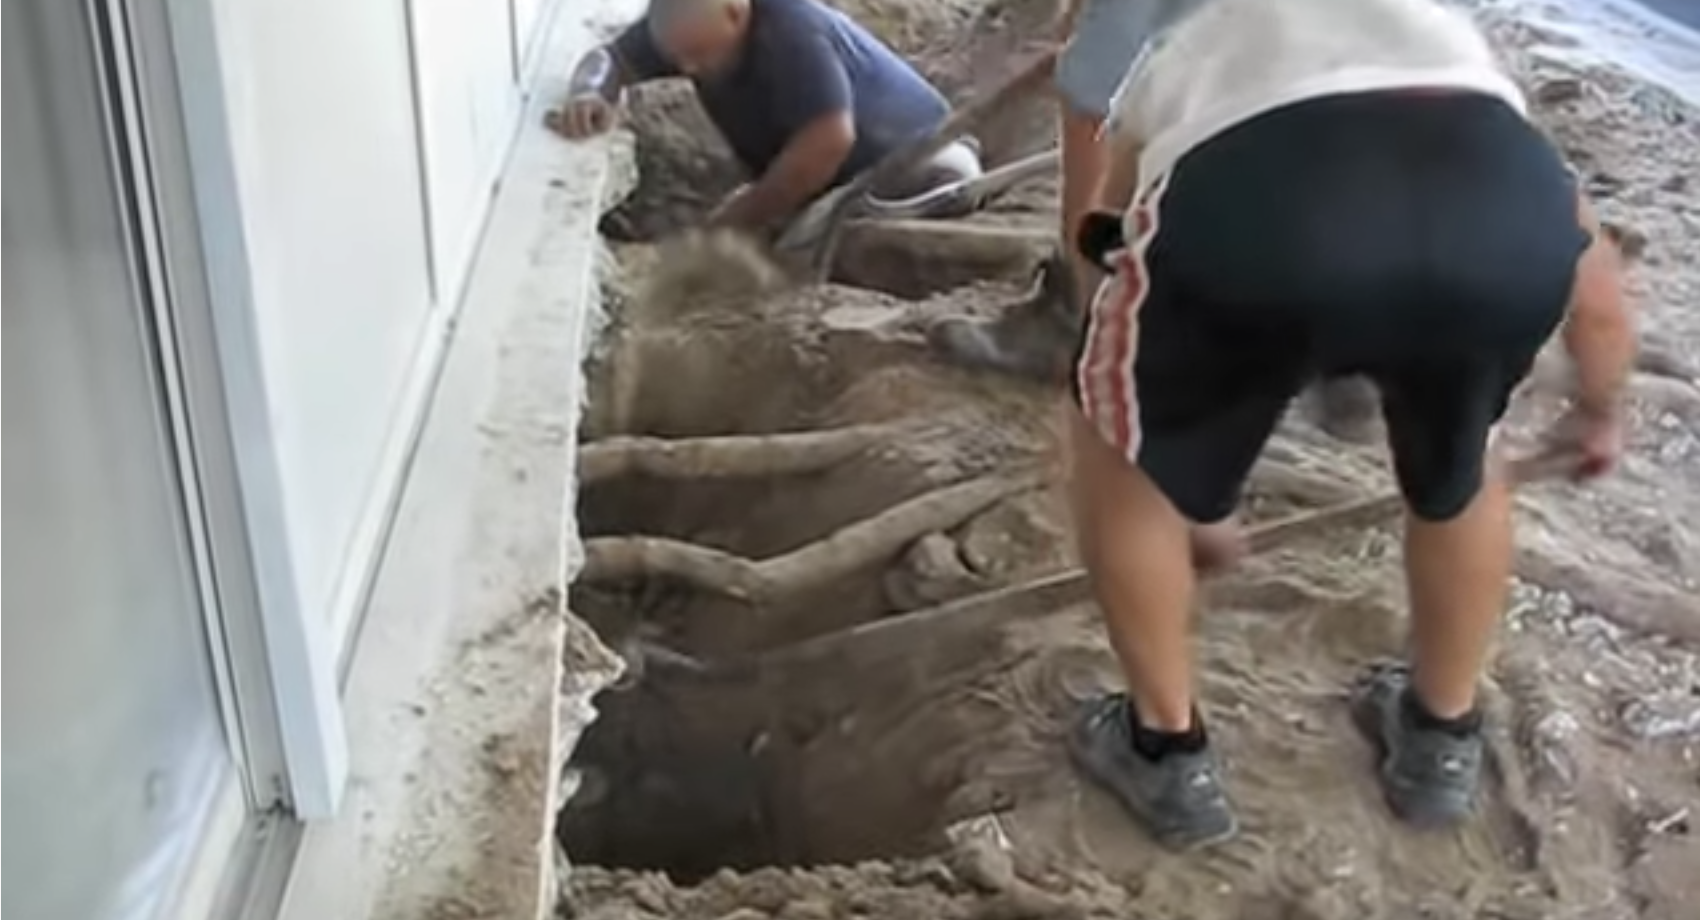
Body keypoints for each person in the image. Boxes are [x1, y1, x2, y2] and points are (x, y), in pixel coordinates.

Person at [1063, 0, 1634, 850]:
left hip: (1262, 210)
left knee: (1117, 452)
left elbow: (1103, 241)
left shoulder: (1187, 44)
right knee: (1466, 460)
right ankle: (1442, 737)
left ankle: (1165, 746)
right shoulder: (1448, 39)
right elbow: (1592, 277)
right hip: (1495, 233)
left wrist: (1170, 460)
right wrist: (1599, 411)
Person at [547, 0, 982, 235]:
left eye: (700, 55)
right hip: (831, 185)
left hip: (916, 160)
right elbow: (609, 58)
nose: (692, 70)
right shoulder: (685, 23)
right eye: (680, 60)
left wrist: (745, 213)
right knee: (803, 229)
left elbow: (828, 138)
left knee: (868, 229)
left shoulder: (790, 31)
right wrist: (591, 90)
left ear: (737, 12)